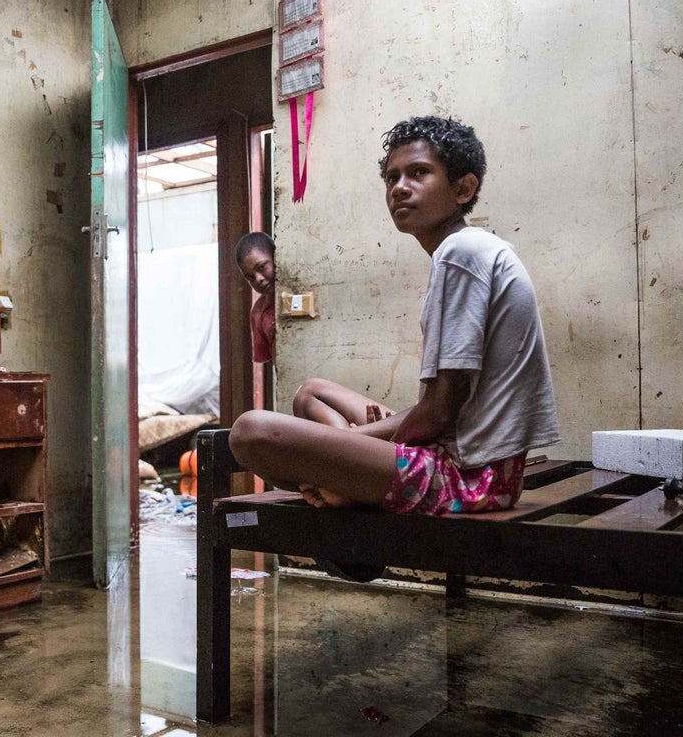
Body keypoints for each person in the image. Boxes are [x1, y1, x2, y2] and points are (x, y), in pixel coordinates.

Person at [229, 116, 559, 514]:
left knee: (251, 432)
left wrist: (357, 440)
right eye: (392, 177)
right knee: (311, 394)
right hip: (463, 459)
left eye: (419, 173)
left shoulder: (461, 253)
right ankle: (343, 482)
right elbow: (440, 405)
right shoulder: (465, 251)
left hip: (470, 477)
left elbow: (438, 413)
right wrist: (356, 440)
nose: (400, 187)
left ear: (462, 188)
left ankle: (345, 487)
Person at [235, 231, 276, 364]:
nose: (258, 279)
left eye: (262, 267)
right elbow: (269, 360)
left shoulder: (301, 290)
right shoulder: (258, 312)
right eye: (250, 277)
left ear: (276, 257)